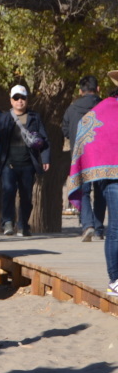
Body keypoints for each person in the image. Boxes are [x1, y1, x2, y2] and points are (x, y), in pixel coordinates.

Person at [66, 69, 118, 295]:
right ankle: (115, 280)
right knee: (117, 228)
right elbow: (87, 127)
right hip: (113, 179)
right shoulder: (105, 109)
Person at [0, 85, 50, 237]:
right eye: (16, 98)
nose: (20, 101)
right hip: (8, 164)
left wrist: (45, 158)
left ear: (27, 100)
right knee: (8, 192)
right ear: (11, 100)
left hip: (28, 164)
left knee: (27, 196)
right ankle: (8, 223)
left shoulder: (34, 117)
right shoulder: (3, 118)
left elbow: (44, 139)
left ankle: (24, 225)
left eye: (22, 98)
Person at [63, 75, 105, 241]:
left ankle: (87, 225)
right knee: (101, 191)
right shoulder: (105, 106)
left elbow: (65, 130)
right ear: (98, 89)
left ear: (80, 91)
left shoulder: (71, 109)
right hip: (101, 155)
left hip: (81, 155)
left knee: (84, 192)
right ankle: (99, 229)